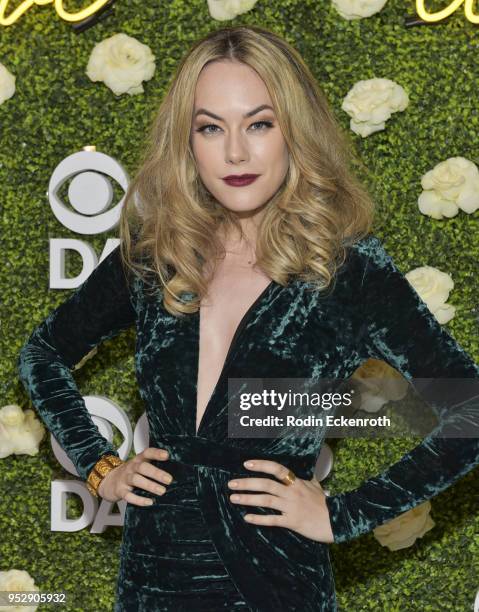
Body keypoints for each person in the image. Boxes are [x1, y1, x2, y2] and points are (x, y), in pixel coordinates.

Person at [17, 25, 479, 612]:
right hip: (155, 576)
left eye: (259, 124)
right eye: (211, 128)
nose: (235, 152)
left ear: (295, 131)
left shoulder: (346, 268)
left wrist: (343, 513)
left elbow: (470, 410)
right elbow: (42, 354)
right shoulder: (156, 256)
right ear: (187, 143)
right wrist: (101, 466)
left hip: (275, 579)